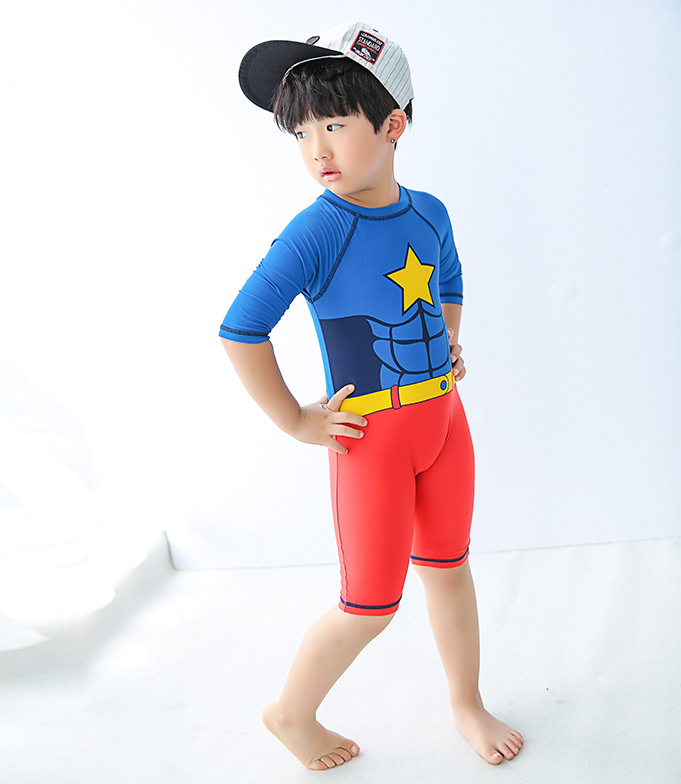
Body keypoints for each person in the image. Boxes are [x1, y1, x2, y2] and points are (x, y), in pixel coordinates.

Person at [219, 22, 524, 771]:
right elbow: (241, 329)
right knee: (370, 604)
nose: (315, 149)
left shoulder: (429, 211)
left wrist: (445, 341)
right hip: (370, 441)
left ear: (392, 125)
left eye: (333, 124)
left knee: (449, 567)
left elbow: (449, 278)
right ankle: (290, 713)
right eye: (300, 133)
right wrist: (296, 420)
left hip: (444, 423)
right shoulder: (315, 232)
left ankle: (466, 702)